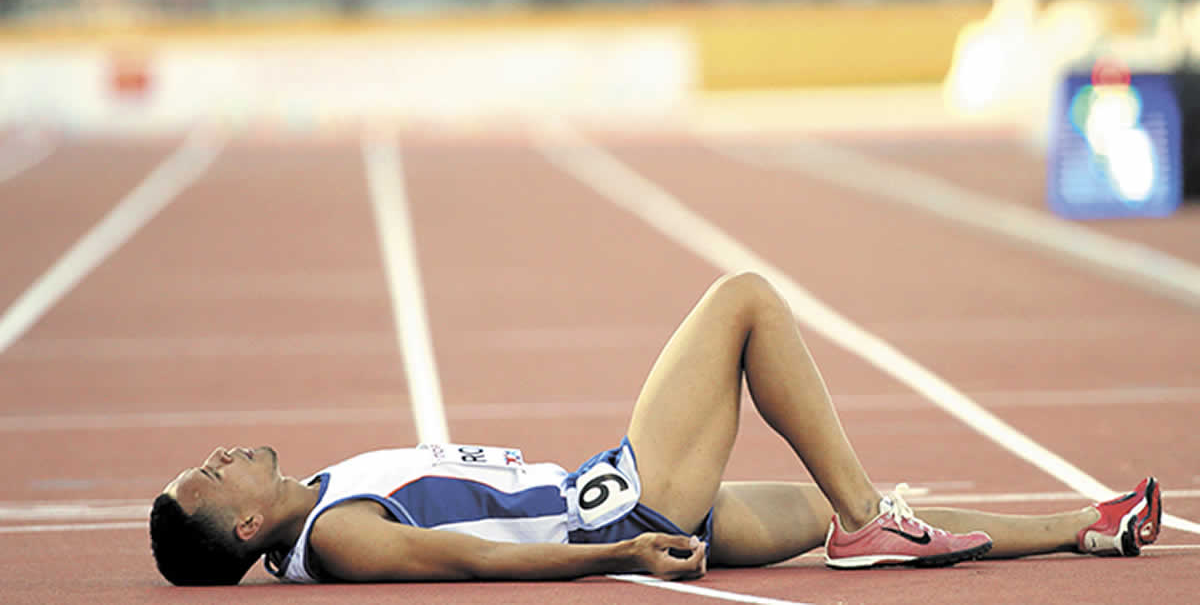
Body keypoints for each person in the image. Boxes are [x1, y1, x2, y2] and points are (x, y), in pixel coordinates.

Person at [149, 272, 1162, 585]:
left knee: (848, 508)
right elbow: (461, 560)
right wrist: (620, 550)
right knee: (744, 299)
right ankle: (863, 519)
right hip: (624, 503)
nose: (218, 456)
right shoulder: (333, 534)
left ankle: (1086, 523)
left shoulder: (316, 502)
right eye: (209, 478)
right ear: (245, 530)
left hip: (615, 498)